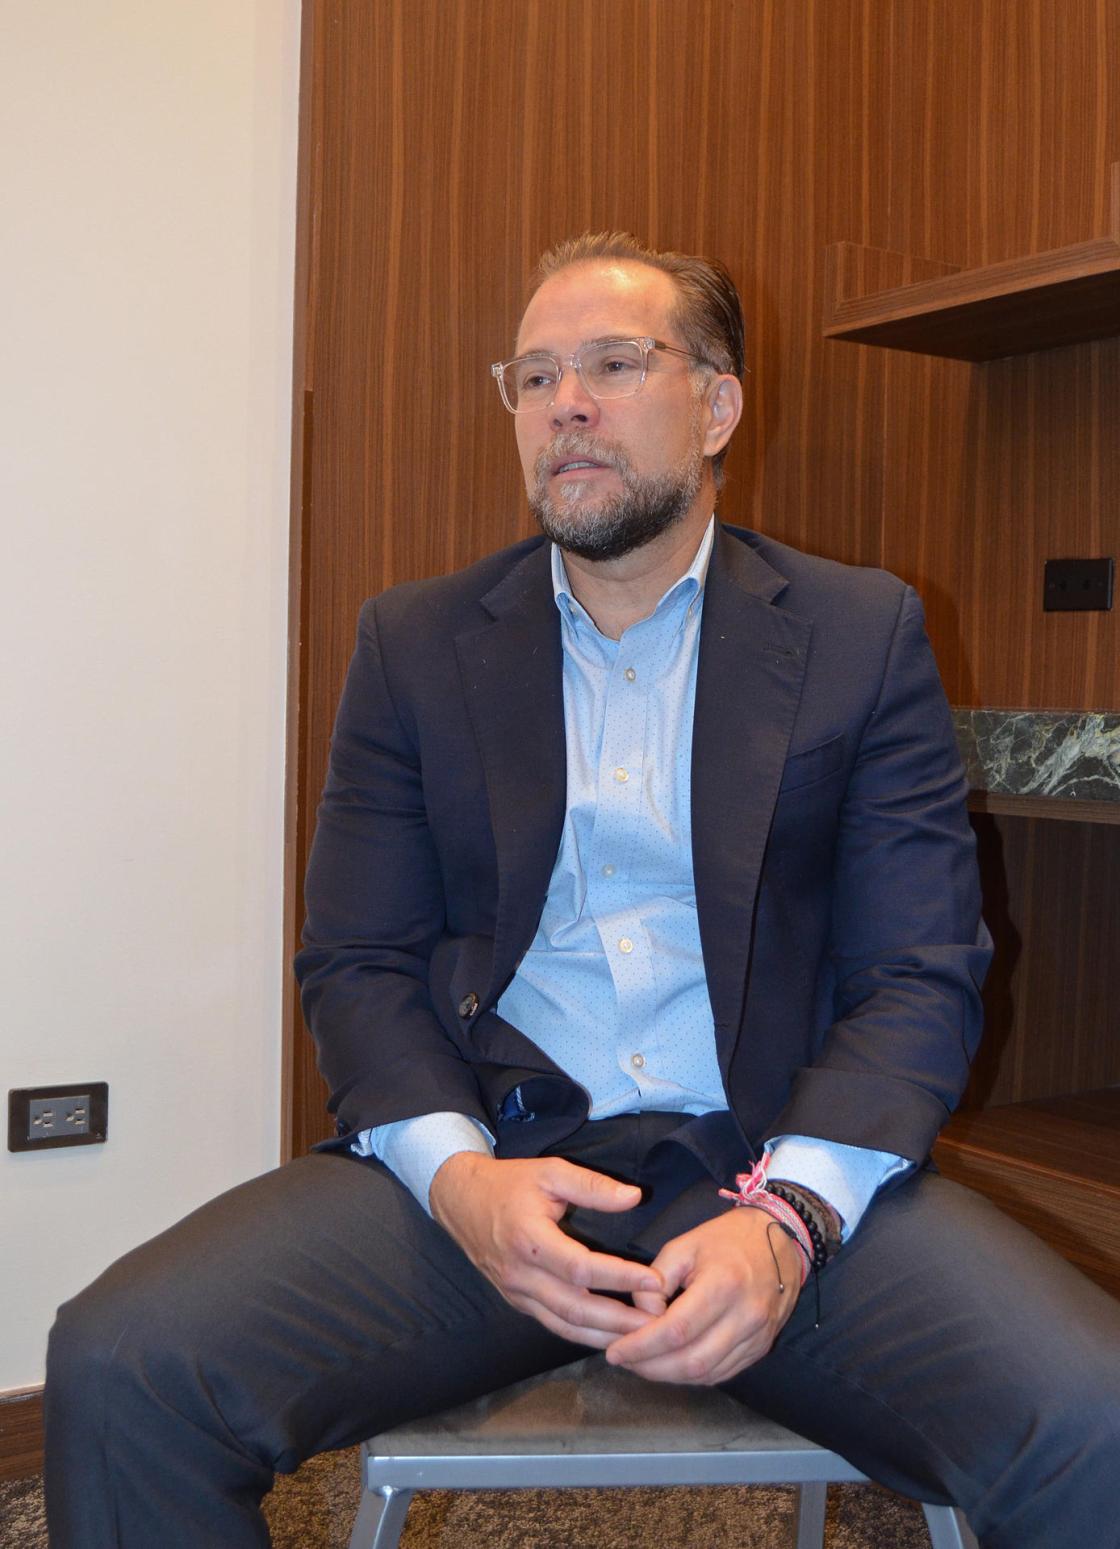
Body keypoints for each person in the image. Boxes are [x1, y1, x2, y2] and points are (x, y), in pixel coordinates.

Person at [46, 234, 1120, 1548]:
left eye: (615, 363)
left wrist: (789, 1217)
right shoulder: (416, 644)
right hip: (498, 1158)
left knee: (1091, 1412)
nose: (567, 403)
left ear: (716, 405)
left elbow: (920, 968)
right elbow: (360, 962)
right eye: (534, 376)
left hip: (766, 1161)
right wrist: (460, 1183)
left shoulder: (860, 632)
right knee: (123, 1363)